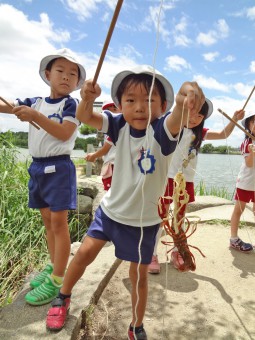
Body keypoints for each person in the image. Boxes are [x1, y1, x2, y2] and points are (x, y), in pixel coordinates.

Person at [45, 65, 206, 338]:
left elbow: (178, 113)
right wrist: (86, 97)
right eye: (131, 101)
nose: (140, 108)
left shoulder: (163, 131)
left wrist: (186, 94)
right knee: (83, 254)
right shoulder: (119, 124)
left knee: (139, 277)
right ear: (121, 105)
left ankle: (136, 325)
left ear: (162, 105)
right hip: (110, 213)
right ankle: (63, 296)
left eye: (149, 100)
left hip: (144, 223)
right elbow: (85, 115)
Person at [0, 48, 86, 305]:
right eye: (60, 71)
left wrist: (35, 116)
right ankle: (53, 265)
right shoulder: (35, 101)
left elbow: (63, 133)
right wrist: (28, 111)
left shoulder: (71, 104)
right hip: (37, 167)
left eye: (73, 74)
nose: (66, 77)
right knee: (48, 222)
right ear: (48, 74)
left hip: (59, 169)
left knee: (59, 223)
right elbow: (8, 107)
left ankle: (58, 278)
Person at [148, 102, 246, 273]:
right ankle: (151, 253)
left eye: (200, 116)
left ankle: (177, 252)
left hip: (186, 181)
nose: (194, 119)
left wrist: (234, 119)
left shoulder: (200, 133)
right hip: (167, 177)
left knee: (179, 219)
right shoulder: (170, 126)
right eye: (191, 113)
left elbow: (224, 134)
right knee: (160, 217)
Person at [229, 111, 255, 253]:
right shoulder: (247, 143)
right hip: (245, 182)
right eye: (253, 121)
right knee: (239, 210)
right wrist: (252, 152)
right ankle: (234, 239)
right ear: (248, 125)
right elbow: (250, 164)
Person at [85, 100, 119, 190]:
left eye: (114, 109)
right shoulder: (109, 128)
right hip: (112, 164)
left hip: (115, 165)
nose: (111, 112)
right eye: (107, 110)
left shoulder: (118, 126)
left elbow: (106, 148)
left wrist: (94, 155)